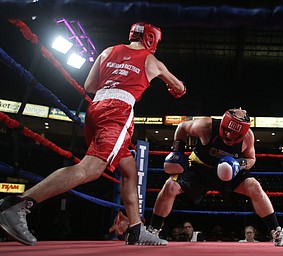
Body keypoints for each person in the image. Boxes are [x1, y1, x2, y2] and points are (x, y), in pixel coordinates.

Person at [0, 21, 186, 246]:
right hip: (118, 112)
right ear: (152, 39)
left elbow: (89, 85)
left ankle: (136, 228)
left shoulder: (108, 51)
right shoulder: (152, 61)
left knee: (129, 168)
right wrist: (172, 87)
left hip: (96, 109)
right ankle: (19, 203)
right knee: (90, 169)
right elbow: (179, 87)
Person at [147, 108, 283, 246]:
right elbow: (182, 127)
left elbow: (251, 159)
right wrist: (178, 151)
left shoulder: (248, 137)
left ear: (242, 133)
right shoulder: (205, 126)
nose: (229, 135)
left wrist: (238, 164)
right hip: (199, 169)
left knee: (254, 186)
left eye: (235, 134)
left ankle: (277, 234)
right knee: (170, 186)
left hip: (230, 173)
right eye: (226, 131)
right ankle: (152, 232)